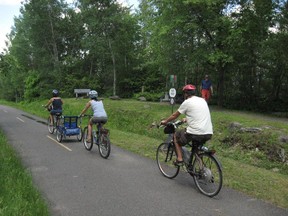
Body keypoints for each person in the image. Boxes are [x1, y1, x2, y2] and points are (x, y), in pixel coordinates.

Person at [161, 84, 213, 165]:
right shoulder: (202, 100)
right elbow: (198, 114)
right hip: (208, 132)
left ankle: (180, 159)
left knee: (176, 136)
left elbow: (175, 115)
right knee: (196, 149)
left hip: (195, 132)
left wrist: (165, 121)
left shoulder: (187, 102)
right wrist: (187, 119)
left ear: (186, 94)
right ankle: (200, 168)